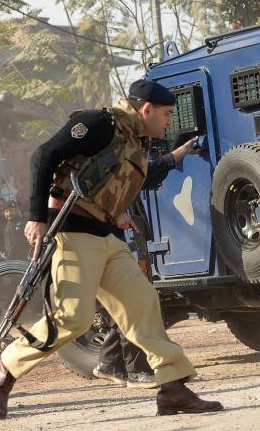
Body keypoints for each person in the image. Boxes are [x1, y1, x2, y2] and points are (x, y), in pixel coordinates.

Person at [0, 79, 223, 419]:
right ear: (146, 110)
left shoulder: (135, 141)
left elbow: (112, 182)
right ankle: (5, 365)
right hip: (73, 233)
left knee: (142, 302)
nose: (170, 121)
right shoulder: (101, 123)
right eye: (167, 114)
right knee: (74, 318)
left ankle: (172, 387)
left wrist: (117, 212)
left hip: (107, 235)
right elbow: (44, 155)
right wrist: (36, 217)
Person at [93, 137, 202, 388]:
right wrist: (114, 212)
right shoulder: (94, 165)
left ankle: (110, 363)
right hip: (94, 245)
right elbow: (88, 195)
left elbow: (147, 175)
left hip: (110, 245)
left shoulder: (120, 163)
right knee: (132, 302)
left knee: (129, 303)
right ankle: (137, 370)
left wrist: (182, 152)